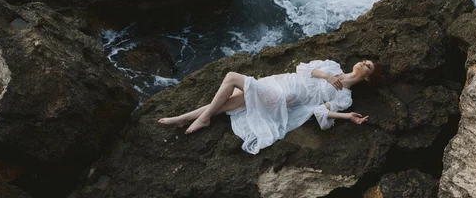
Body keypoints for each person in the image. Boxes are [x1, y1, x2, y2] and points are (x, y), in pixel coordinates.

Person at [158, 59, 381, 154]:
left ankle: (201, 118)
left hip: (286, 95)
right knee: (229, 102)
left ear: (369, 78)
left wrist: (347, 116)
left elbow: (320, 112)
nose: (363, 62)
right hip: (279, 80)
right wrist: (328, 76)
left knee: (232, 77)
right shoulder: (332, 66)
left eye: (368, 65)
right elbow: (302, 69)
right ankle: (186, 118)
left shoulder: (345, 98)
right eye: (364, 60)